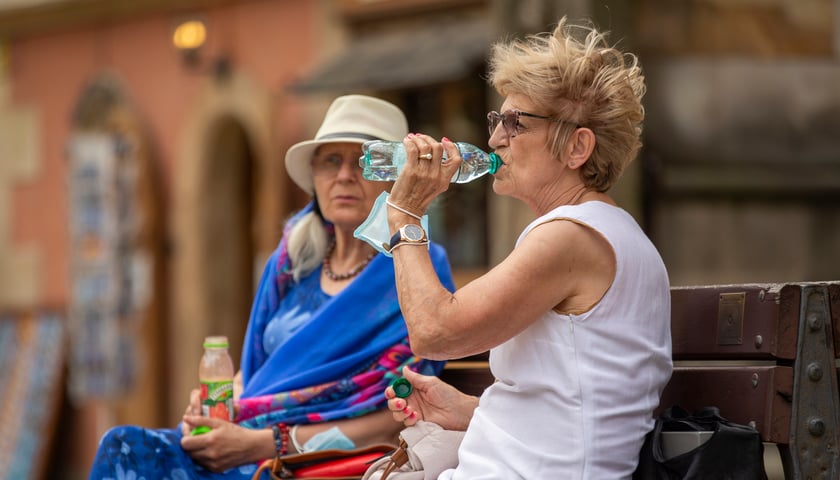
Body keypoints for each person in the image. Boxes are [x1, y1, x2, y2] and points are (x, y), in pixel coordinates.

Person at [88, 95, 456, 479]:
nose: (345, 175)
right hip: (243, 441)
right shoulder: (291, 262)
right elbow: (256, 371)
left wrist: (268, 443)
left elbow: (393, 421)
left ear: (398, 179)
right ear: (314, 176)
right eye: (331, 160)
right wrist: (213, 405)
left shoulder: (416, 268)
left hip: (311, 464)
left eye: (366, 161)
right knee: (122, 446)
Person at [380, 18, 672, 479]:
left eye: (515, 122)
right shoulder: (593, 230)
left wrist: (405, 217)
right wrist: (470, 410)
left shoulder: (571, 236)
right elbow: (576, 408)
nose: (495, 137)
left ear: (577, 147)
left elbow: (435, 332)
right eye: (498, 119)